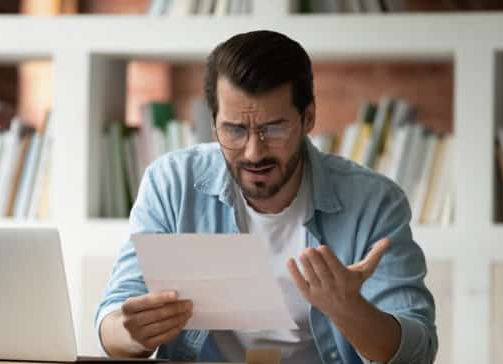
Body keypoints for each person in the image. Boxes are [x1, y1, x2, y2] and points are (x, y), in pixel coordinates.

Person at [95, 30, 437, 364]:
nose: (254, 152)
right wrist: (132, 333)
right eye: (235, 130)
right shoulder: (172, 184)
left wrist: (349, 309)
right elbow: (113, 317)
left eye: (273, 129)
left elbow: (418, 351)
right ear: (213, 124)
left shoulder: (375, 202)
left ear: (308, 118)